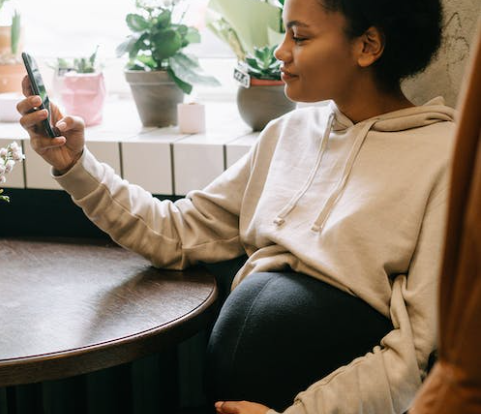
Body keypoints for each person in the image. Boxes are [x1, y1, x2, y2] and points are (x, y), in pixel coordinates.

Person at [17, 0, 454, 413]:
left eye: (299, 38)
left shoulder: (446, 158)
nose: (281, 52)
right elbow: (176, 233)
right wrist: (74, 165)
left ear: (367, 46)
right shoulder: (286, 134)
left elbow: (420, 348)